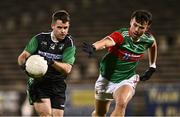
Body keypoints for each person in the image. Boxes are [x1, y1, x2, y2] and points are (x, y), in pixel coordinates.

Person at [82, 10, 157, 117]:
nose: (136, 29)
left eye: (141, 27)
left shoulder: (148, 39)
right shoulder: (121, 35)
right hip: (106, 79)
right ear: (131, 21)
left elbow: (153, 45)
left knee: (121, 103)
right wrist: (94, 47)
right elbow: (106, 42)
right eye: (135, 25)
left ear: (147, 27)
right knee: (100, 113)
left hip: (126, 79)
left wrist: (152, 66)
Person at [18, 10, 76, 116]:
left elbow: (67, 69)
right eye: (59, 27)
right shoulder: (40, 39)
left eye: (65, 28)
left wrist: (51, 62)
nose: (63, 31)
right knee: (46, 115)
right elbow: (22, 57)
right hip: (39, 83)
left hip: (57, 83)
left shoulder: (69, 43)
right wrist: (26, 69)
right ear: (53, 26)